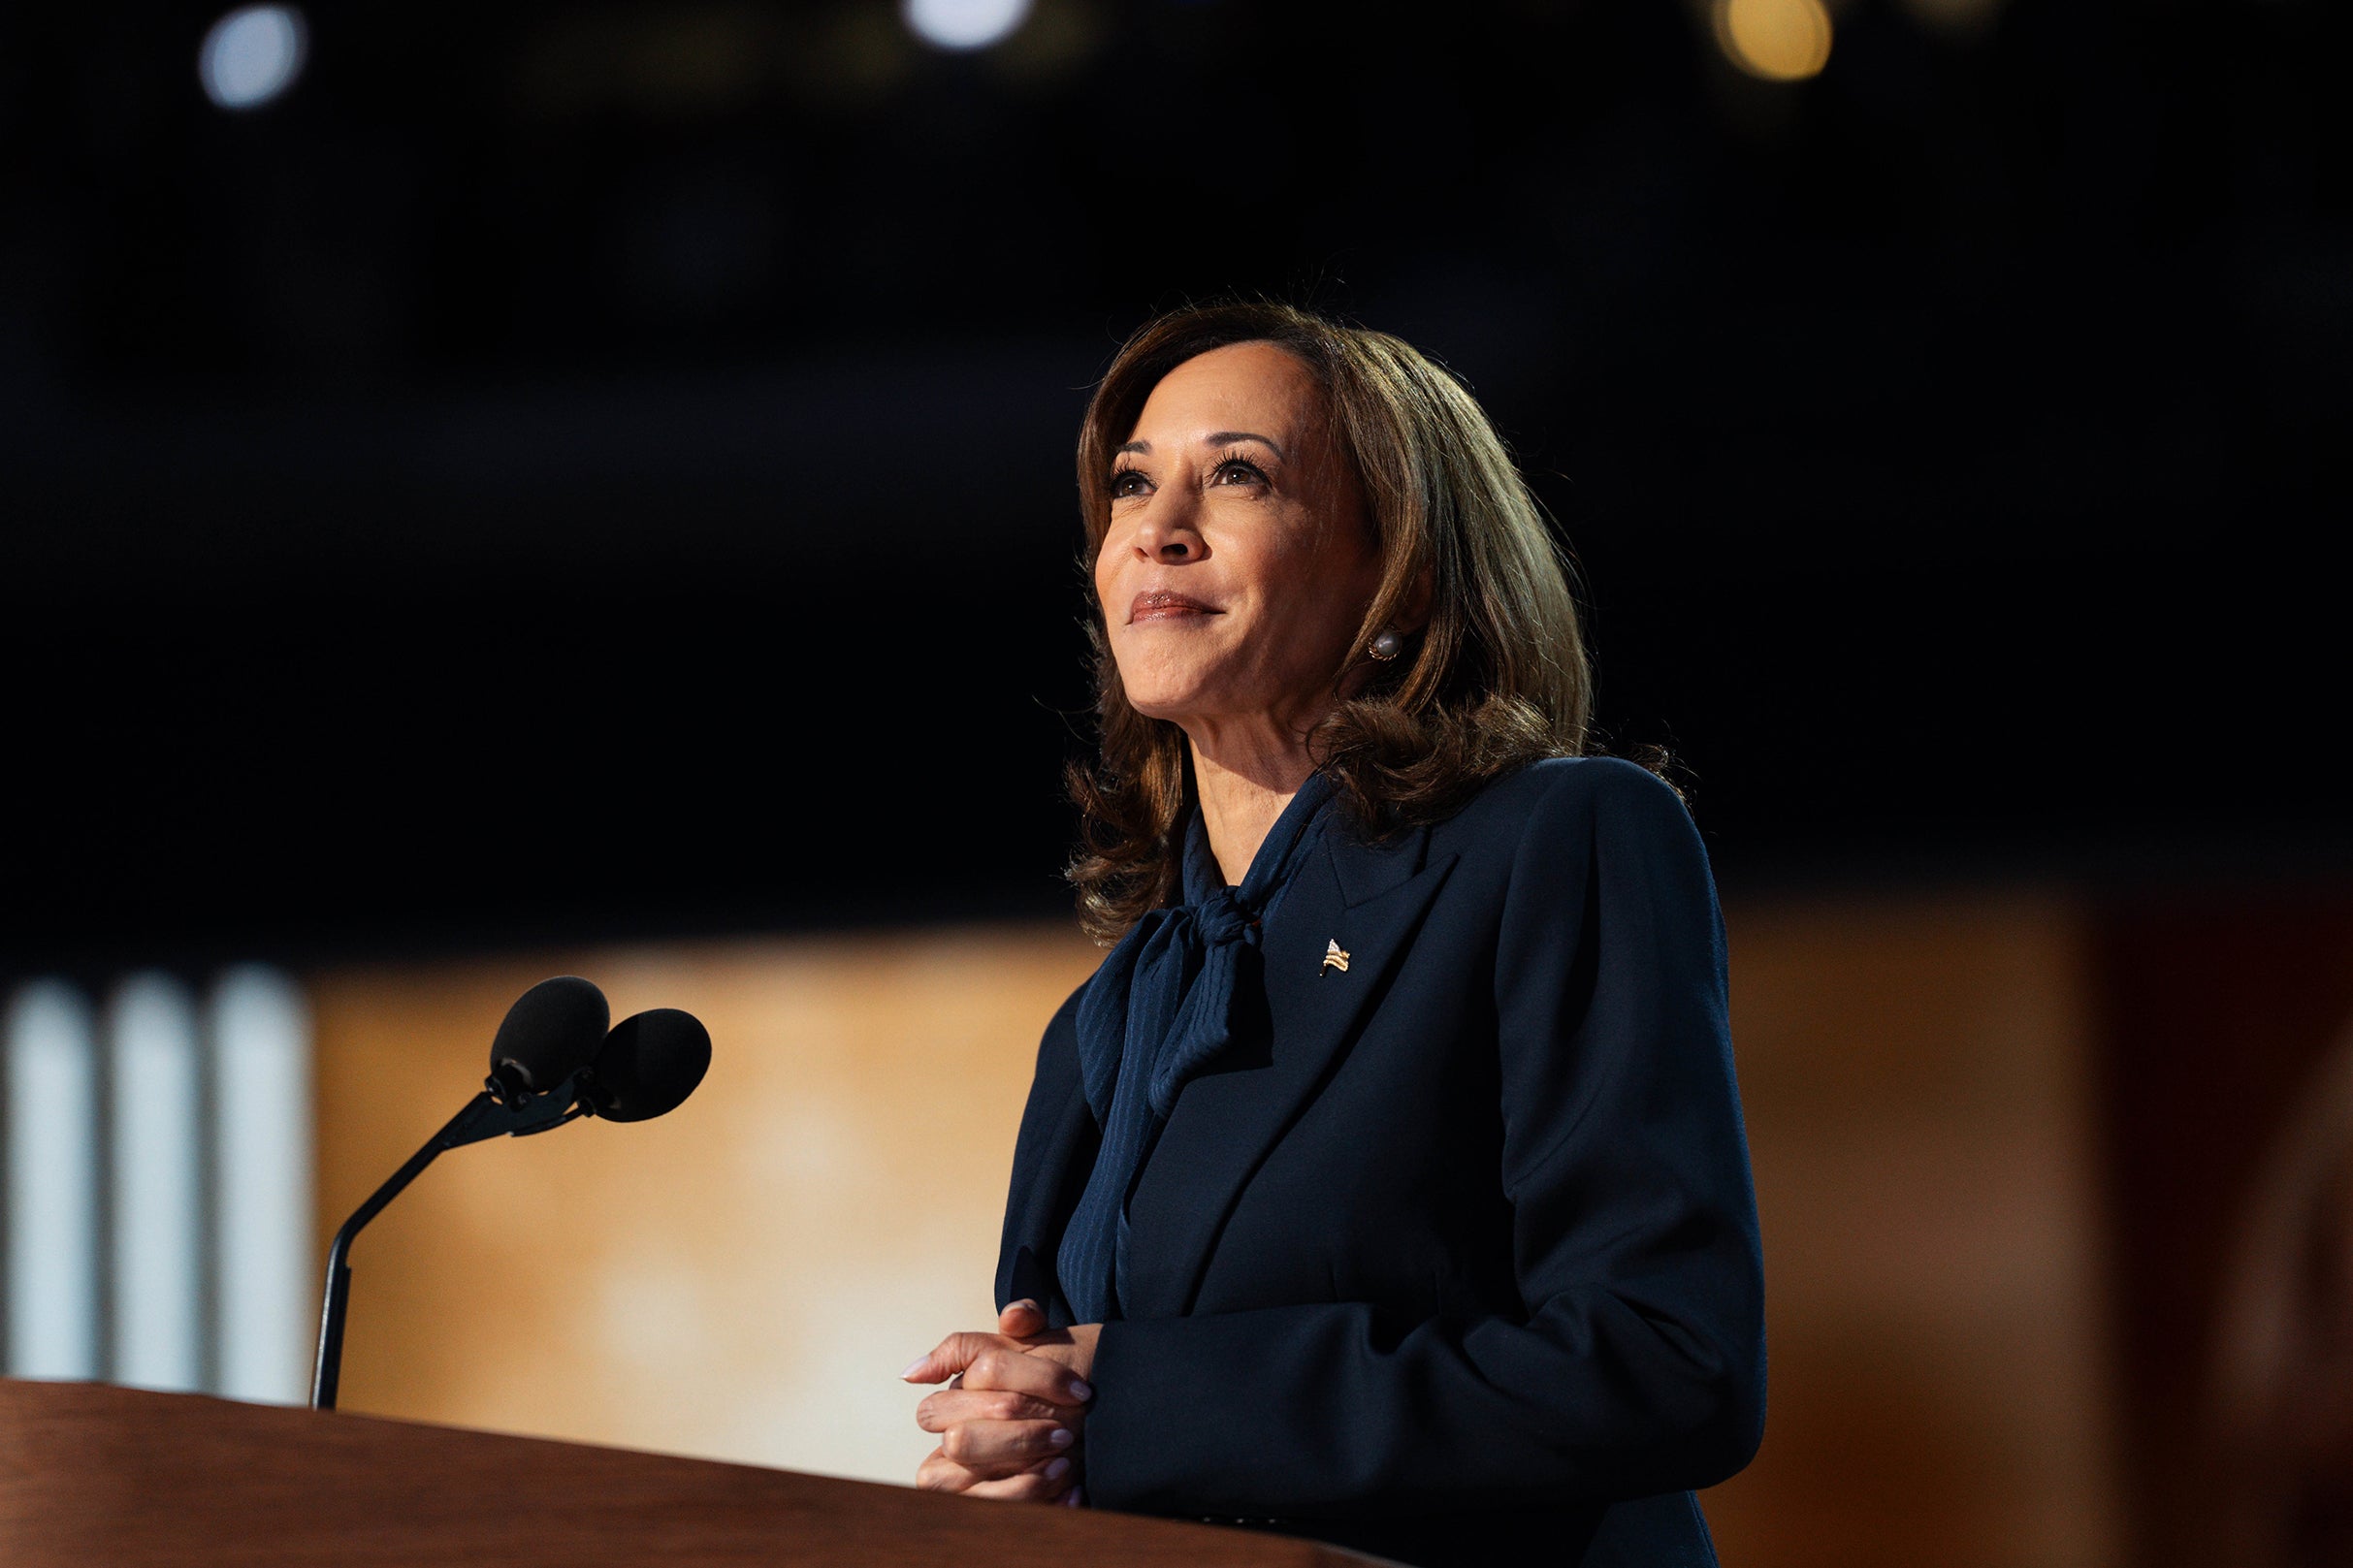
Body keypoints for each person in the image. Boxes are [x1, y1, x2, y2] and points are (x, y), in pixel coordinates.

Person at [900, 301, 1764, 1567]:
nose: (1157, 526)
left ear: (1398, 571)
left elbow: (1667, 1359)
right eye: (1132, 484)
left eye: (1235, 476)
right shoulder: (1098, 1028)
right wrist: (1025, 1458)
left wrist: (1127, 1403)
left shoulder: (1556, 842)